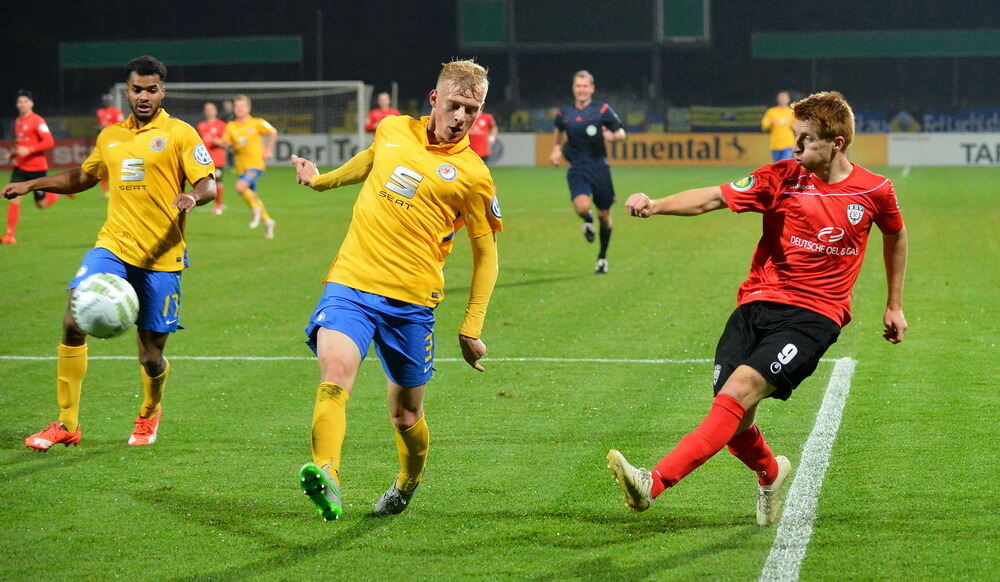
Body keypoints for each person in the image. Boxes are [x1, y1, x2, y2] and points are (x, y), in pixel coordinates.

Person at [606, 91, 908, 526]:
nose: (795, 146)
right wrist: (657, 205)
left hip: (814, 316)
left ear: (837, 143)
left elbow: (895, 234)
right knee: (732, 419)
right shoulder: (780, 177)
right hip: (756, 304)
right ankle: (770, 472)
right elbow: (714, 197)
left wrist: (894, 304)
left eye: (805, 139)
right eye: (794, 136)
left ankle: (651, 483)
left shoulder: (875, 190)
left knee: (738, 392)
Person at [289, 59, 502, 520]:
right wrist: (320, 181)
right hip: (352, 282)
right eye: (454, 105)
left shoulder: (474, 176)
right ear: (434, 99)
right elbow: (369, 161)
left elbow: (487, 256)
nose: (461, 117)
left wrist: (471, 327)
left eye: (472, 109)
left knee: (405, 415)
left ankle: (407, 481)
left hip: (411, 303)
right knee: (335, 372)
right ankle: (327, 474)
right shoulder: (392, 129)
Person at [4, 56, 217, 451]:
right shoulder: (110, 136)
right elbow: (84, 176)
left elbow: (209, 184)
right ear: (127, 90)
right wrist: (33, 184)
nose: (144, 96)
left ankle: (150, 410)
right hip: (112, 246)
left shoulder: (179, 133)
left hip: (161, 256)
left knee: (150, 355)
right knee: (73, 319)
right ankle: (67, 422)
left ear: (162, 92)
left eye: (152, 90)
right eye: (137, 89)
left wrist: (192, 196)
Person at [549, 70, 625, 274]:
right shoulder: (564, 113)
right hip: (577, 168)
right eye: (578, 86)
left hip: (599, 168)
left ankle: (602, 258)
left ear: (592, 88)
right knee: (582, 207)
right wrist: (556, 148)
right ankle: (587, 219)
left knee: (605, 216)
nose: (581, 90)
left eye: (585, 86)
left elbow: (621, 133)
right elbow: (558, 129)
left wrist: (613, 136)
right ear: (573, 88)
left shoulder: (602, 110)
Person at [3, 90, 57, 244]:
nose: (22, 104)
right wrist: (13, 155)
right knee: (13, 197)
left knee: (41, 204)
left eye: (25, 101)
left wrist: (30, 150)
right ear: (17, 104)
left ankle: (56, 193)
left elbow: (49, 142)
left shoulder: (37, 121)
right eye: (20, 102)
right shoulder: (18, 121)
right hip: (20, 167)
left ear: (31, 103)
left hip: (37, 169)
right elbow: (22, 145)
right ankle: (10, 235)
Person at [222, 95, 277, 238]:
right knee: (253, 197)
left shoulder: (257, 123)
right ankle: (268, 222)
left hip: (256, 165)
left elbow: (273, 132)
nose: (239, 109)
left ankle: (255, 210)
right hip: (241, 167)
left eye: (242, 106)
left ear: (248, 108)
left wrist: (268, 150)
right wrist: (227, 145)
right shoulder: (231, 126)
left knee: (240, 187)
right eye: (236, 106)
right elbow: (226, 143)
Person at [197, 102, 227, 214]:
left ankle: (218, 205)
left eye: (211, 109)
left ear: (215, 111)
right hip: (204, 160)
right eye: (207, 109)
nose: (208, 111)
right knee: (200, 182)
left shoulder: (221, 125)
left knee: (217, 183)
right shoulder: (201, 125)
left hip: (217, 160)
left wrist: (218, 142)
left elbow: (226, 143)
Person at [95, 93, 125, 198]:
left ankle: (118, 190)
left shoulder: (116, 112)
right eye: (105, 100)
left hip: (114, 142)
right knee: (100, 167)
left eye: (108, 100)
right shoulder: (99, 112)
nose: (106, 102)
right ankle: (106, 192)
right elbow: (98, 127)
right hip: (103, 143)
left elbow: (121, 126)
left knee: (115, 167)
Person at [762, 91, 795, 162]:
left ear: (788, 99)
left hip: (788, 143)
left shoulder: (792, 112)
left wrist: (793, 126)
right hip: (775, 143)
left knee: (784, 162)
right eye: (781, 97)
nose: (783, 99)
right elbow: (764, 126)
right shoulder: (771, 111)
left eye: (785, 98)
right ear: (777, 99)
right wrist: (771, 124)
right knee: (777, 164)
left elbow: (798, 126)